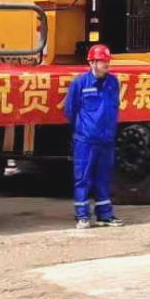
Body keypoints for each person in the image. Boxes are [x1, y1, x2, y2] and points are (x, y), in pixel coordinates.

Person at [64, 44, 124, 229]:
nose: (107, 64)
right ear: (92, 62)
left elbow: (115, 107)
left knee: (104, 178)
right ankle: (82, 216)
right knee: (83, 178)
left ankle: (104, 215)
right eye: (103, 61)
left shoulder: (113, 82)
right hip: (86, 140)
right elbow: (71, 110)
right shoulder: (80, 83)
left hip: (106, 140)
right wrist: (82, 130)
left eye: (107, 61)